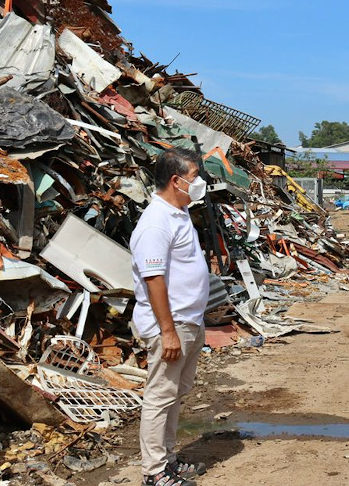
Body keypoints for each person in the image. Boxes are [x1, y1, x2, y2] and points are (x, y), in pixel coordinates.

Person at [131, 147, 212, 486]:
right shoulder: (155, 222)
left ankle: (168, 459)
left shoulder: (178, 213)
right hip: (171, 324)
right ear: (176, 181)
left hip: (189, 321)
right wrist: (168, 331)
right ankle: (154, 472)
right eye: (195, 177)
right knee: (160, 396)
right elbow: (154, 280)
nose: (200, 183)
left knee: (175, 393)